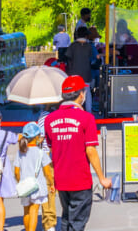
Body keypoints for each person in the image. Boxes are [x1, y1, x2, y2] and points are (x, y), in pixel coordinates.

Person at [46, 75, 111, 231]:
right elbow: (90, 150)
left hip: (61, 180)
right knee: (77, 223)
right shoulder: (86, 118)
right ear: (81, 94)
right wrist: (101, 178)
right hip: (80, 180)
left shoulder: (50, 119)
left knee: (67, 218)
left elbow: (51, 150)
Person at [14, 120, 54, 231]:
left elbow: (16, 171)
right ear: (37, 137)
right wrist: (51, 184)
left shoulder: (20, 152)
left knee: (26, 211)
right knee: (34, 211)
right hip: (38, 187)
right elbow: (47, 172)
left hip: (25, 186)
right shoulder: (41, 153)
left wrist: (20, 182)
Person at [64, 27, 98, 112]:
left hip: (74, 74)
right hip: (86, 74)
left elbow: (68, 59)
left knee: (74, 94)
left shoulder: (72, 46)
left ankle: (74, 111)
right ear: (86, 36)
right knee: (87, 94)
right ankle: (89, 112)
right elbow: (92, 59)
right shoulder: (89, 46)